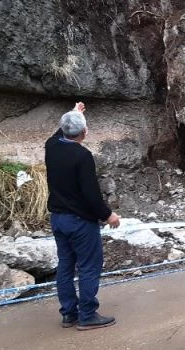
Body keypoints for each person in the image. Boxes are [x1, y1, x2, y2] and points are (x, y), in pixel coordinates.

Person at [45, 102, 121, 330]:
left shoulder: (51, 146)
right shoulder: (82, 156)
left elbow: (61, 131)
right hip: (80, 222)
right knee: (89, 266)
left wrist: (74, 113)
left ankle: (69, 313)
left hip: (58, 219)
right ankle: (87, 315)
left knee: (66, 266)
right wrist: (108, 216)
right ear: (84, 133)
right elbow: (91, 194)